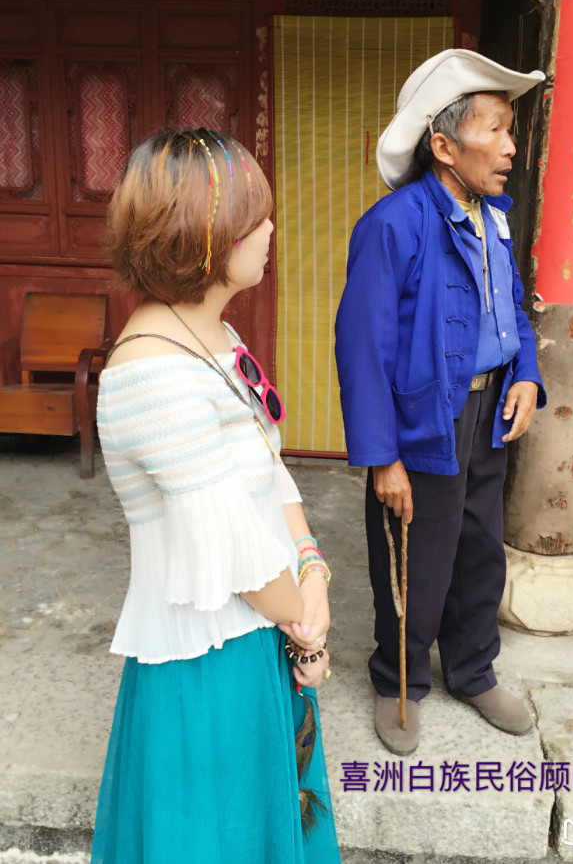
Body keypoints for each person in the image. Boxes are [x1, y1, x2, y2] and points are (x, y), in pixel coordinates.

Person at [91, 128, 340, 863]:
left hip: (260, 628)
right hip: (205, 666)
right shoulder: (152, 375)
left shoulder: (214, 335)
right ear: (205, 235)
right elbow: (232, 547)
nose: (270, 230)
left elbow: (267, 466)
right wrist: (307, 625)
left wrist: (311, 564)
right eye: (255, 216)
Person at [335, 50, 547, 755]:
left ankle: (473, 669)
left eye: (511, 130)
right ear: (445, 146)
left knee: (480, 548)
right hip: (425, 418)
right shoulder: (394, 225)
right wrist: (383, 458)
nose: (511, 147)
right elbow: (361, 350)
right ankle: (398, 678)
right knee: (416, 556)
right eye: (496, 129)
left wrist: (525, 373)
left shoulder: (494, 217)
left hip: (489, 414)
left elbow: (512, 310)